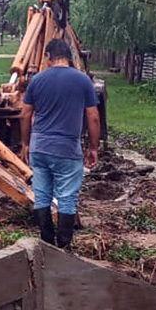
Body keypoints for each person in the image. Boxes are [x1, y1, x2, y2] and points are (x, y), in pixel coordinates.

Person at [19, 38, 101, 250]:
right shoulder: (83, 81)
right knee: (66, 198)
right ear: (68, 57)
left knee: (42, 194)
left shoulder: (37, 80)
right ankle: (63, 246)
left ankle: (46, 242)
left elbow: (25, 114)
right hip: (67, 150)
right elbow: (93, 117)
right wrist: (93, 148)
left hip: (39, 147)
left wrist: (25, 144)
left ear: (48, 56)